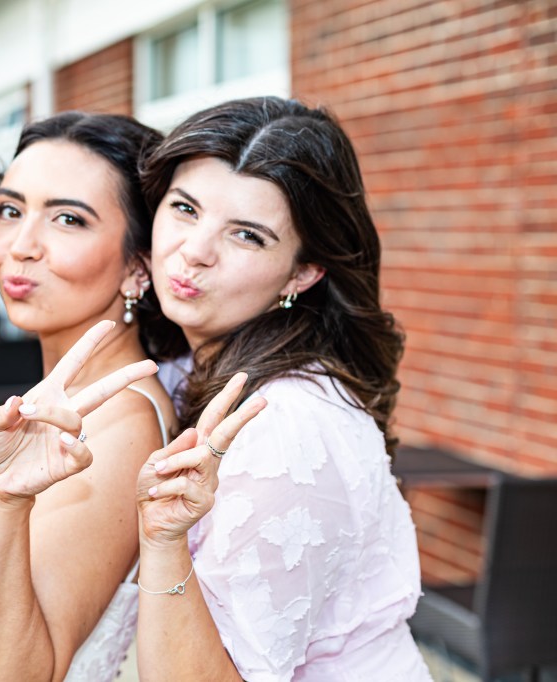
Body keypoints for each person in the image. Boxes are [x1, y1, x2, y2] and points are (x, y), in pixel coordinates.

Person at [134, 96, 432, 680]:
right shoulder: (186, 366)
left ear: (303, 272)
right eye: (185, 208)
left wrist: (163, 544)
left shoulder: (283, 424)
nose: (194, 251)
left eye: (247, 235)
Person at [0, 112, 180, 682]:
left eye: (68, 219)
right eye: (10, 211)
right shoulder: (65, 400)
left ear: (138, 266)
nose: (21, 245)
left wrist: (6, 503)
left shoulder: (118, 424)